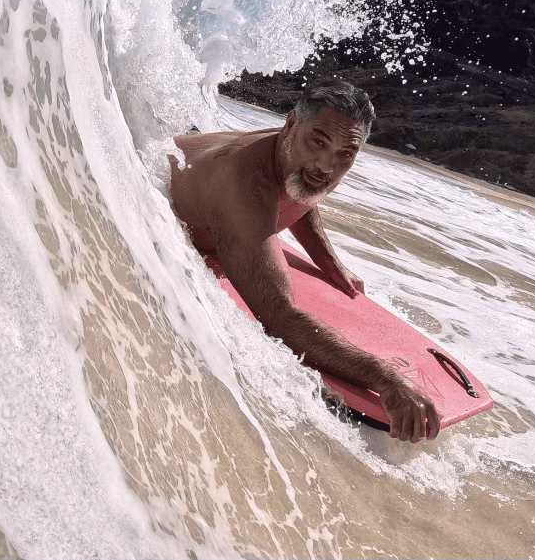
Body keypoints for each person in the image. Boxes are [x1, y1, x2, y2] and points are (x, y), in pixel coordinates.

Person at [168, 80, 439, 442]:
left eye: (346, 153)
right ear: (292, 124)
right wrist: (385, 379)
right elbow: (278, 317)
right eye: (319, 141)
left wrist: (327, 260)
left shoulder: (289, 153)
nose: (327, 166)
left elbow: (300, 193)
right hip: (171, 191)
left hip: (197, 151)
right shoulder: (246, 187)